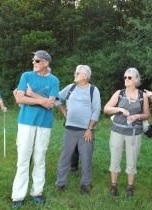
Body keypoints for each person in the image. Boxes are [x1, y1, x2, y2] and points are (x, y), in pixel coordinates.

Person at [11, 50, 59, 209]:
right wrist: (41, 100)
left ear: (46, 63)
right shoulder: (26, 76)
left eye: (37, 61)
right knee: (23, 159)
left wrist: (31, 95)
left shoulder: (54, 80)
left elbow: (51, 104)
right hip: (26, 122)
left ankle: (37, 192)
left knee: (40, 158)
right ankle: (18, 196)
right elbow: (19, 98)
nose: (34, 63)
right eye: (33, 60)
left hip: (44, 124)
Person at [103, 68, 149, 197]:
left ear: (136, 79)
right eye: (125, 77)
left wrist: (137, 117)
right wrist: (119, 109)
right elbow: (106, 109)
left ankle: (130, 187)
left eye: (129, 77)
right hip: (117, 131)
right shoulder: (119, 93)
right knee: (115, 158)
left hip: (134, 133)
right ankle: (113, 185)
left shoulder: (142, 95)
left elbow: (146, 114)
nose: (126, 79)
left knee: (132, 159)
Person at [55, 65, 101, 194]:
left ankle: (85, 184)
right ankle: (60, 183)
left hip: (86, 131)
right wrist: (64, 112)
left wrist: (89, 129)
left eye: (78, 73)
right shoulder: (71, 88)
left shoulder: (93, 90)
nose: (75, 74)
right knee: (65, 157)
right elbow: (56, 98)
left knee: (86, 158)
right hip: (70, 129)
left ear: (86, 76)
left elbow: (96, 110)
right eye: (75, 72)